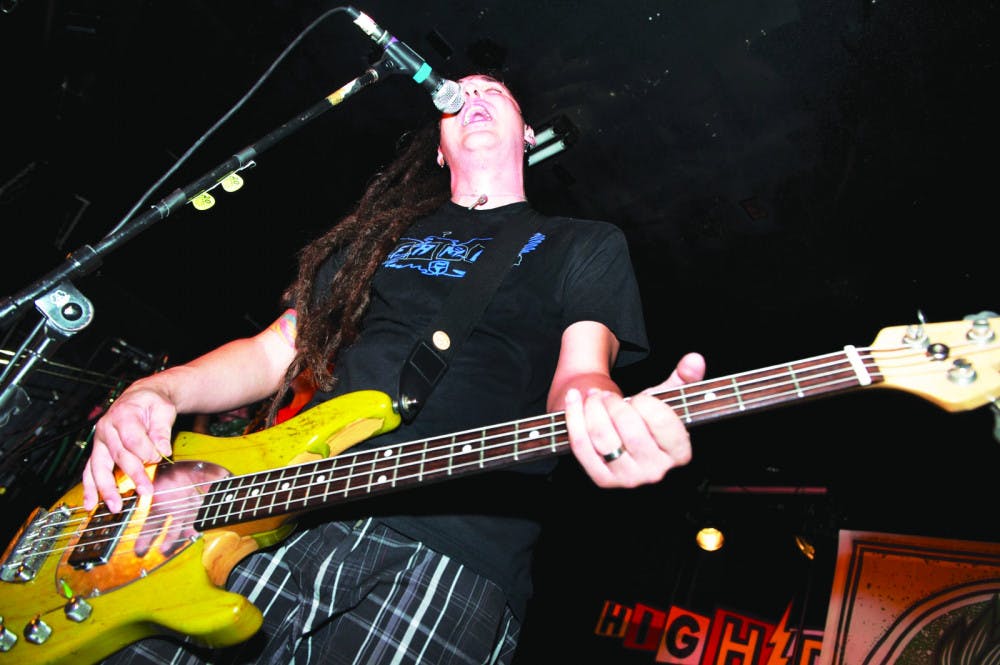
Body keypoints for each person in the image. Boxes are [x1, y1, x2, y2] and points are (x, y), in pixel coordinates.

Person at [83, 74, 706, 664]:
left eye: (495, 92)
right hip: (282, 513)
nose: (472, 96)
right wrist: (160, 388)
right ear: (439, 149)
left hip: (449, 548)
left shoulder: (583, 243)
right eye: (459, 94)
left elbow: (582, 372)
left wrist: (601, 409)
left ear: (528, 135)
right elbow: (277, 350)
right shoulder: (379, 241)